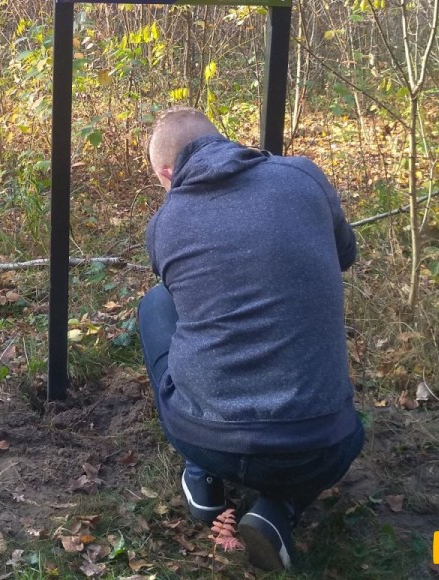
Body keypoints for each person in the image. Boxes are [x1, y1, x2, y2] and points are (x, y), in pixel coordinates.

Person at [138, 106, 365, 572]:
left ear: (166, 173)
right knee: (329, 437)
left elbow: (184, 295)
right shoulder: (303, 176)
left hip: (207, 438)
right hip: (323, 447)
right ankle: (279, 509)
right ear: (223, 140)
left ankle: (203, 477)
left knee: (157, 305)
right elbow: (345, 255)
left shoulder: (166, 222)